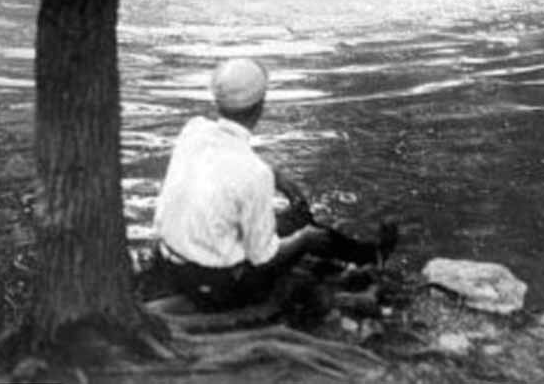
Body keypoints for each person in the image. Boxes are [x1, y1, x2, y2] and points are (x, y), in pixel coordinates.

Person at [153, 58, 397, 310]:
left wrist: (277, 175)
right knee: (305, 233)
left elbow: (223, 158)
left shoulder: (193, 130)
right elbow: (263, 258)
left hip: (168, 263)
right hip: (216, 286)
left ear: (217, 102)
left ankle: (367, 254)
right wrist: (303, 240)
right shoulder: (254, 173)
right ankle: (369, 258)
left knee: (292, 219)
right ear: (261, 106)